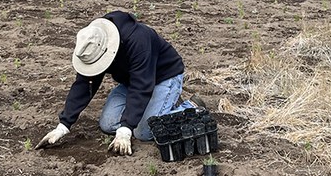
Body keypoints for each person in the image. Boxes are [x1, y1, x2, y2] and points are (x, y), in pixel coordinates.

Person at [35, 10, 204, 155]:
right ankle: (159, 109)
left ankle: (190, 107)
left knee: (143, 132)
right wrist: (63, 125)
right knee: (108, 125)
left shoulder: (139, 40)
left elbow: (141, 85)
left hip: (163, 77)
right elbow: (84, 84)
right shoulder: (94, 42)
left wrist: (125, 129)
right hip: (131, 81)